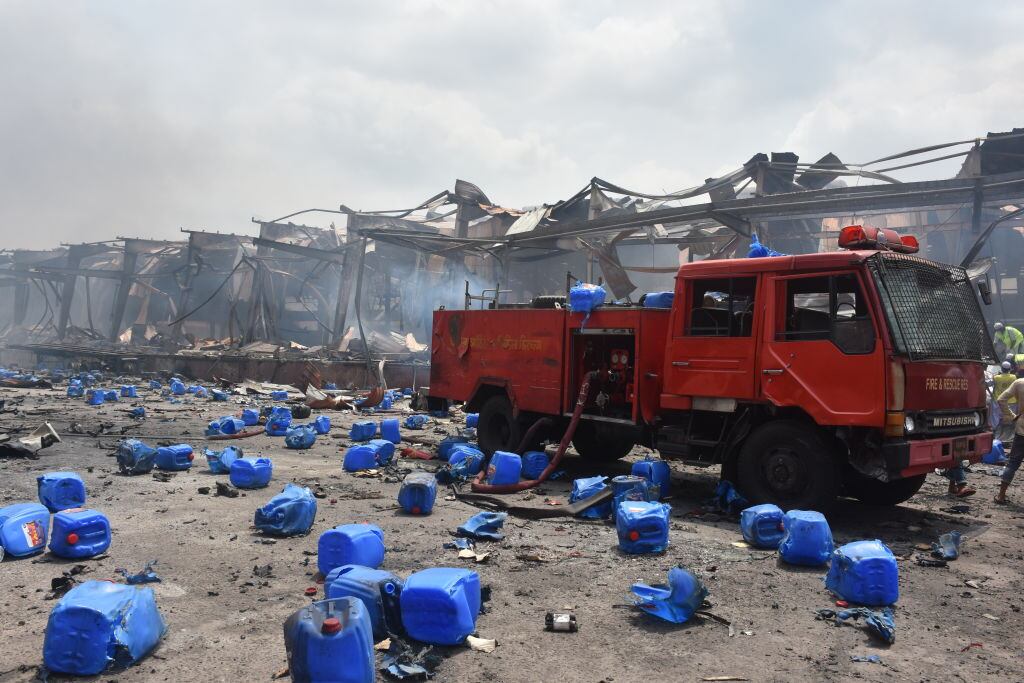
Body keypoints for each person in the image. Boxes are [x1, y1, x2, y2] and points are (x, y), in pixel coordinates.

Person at [995, 374, 1024, 504]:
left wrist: (1012, 416)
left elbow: (1001, 399)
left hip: (1022, 428)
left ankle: (1001, 496)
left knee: (1013, 463)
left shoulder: (1019, 383)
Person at [993, 361, 1018, 446]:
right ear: (1009, 369)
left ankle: (996, 437)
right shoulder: (1013, 377)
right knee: (1011, 419)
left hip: (998, 401)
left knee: (997, 419)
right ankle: (1010, 438)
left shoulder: (996, 377)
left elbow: (990, 383)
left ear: (1002, 369)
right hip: (1011, 401)